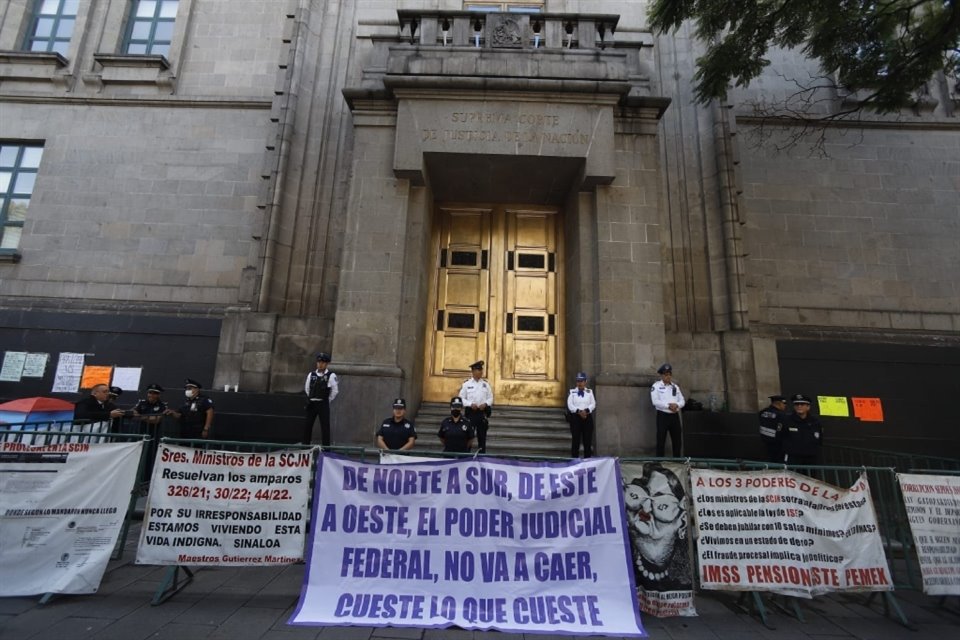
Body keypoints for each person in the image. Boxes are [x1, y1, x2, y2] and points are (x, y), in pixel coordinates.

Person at [623, 462, 693, 592]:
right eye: (643, 496)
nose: (646, 508)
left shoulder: (681, 576)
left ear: (682, 521)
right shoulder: (621, 564)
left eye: (659, 500)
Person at [303, 352, 339, 446]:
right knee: (307, 425)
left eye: (323, 362)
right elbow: (307, 388)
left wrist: (327, 400)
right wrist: (312, 397)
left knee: (325, 426)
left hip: (323, 403)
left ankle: (326, 449)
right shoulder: (311, 374)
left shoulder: (331, 375)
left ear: (327, 364)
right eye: (319, 362)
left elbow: (335, 391)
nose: (320, 364)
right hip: (312, 403)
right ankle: (305, 446)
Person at [650, 363, 685, 457]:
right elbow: (655, 401)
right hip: (663, 416)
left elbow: (682, 400)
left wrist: (676, 405)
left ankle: (677, 461)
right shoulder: (656, 386)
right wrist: (668, 406)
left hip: (674, 416)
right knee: (661, 440)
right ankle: (660, 461)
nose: (668, 376)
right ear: (662, 375)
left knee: (677, 440)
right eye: (666, 374)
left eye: (669, 374)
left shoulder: (675, 387)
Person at [458, 360, 493, 453]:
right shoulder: (466, 384)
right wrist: (470, 404)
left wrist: (485, 404)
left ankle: (481, 457)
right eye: (478, 370)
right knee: (468, 436)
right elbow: (461, 398)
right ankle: (466, 455)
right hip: (471, 413)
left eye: (481, 370)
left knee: (482, 437)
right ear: (473, 371)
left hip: (482, 413)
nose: (481, 372)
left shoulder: (486, 384)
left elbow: (490, 398)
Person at [781, 393, 822, 465]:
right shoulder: (786, 420)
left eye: (802, 404)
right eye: (797, 404)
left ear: (808, 407)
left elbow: (819, 438)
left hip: (810, 458)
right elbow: (779, 438)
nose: (799, 406)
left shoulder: (815, 422)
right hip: (793, 458)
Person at [566, 371, 596, 458]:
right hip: (576, 418)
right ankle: (574, 459)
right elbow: (570, 404)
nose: (580, 383)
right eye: (578, 381)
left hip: (587, 417)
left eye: (581, 381)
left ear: (585, 381)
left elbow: (593, 404)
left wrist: (586, 411)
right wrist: (579, 411)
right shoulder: (572, 392)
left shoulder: (589, 392)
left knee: (587, 440)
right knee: (576, 440)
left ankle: (587, 460)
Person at [758, 394, 787, 462]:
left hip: (765, 443)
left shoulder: (763, 412)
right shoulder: (781, 415)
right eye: (784, 403)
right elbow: (780, 430)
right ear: (778, 403)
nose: (785, 405)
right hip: (777, 446)